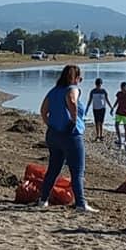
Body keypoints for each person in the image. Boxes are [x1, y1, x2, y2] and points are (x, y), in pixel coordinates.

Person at [36, 64, 96, 212]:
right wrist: (73, 121)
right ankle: (81, 203)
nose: (80, 80)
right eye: (80, 77)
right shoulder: (72, 89)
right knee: (77, 171)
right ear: (75, 78)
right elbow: (72, 101)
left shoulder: (54, 91)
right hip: (71, 135)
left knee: (53, 169)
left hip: (53, 134)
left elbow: (43, 110)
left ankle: (43, 200)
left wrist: (50, 124)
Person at [111, 81, 126, 147]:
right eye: (122, 87)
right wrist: (113, 107)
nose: (123, 89)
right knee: (116, 125)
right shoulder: (119, 93)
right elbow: (117, 101)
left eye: (124, 87)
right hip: (118, 112)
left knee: (125, 126)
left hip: (125, 113)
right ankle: (120, 139)